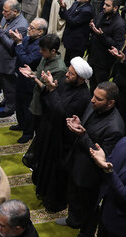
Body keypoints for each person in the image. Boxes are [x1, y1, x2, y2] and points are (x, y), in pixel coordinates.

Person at [61, 82, 125, 237]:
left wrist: (82, 134)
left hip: (92, 172)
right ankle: (73, 220)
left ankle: (85, 235)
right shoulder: (95, 106)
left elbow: (102, 155)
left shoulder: (115, 127)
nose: (92, 100)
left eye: (98, 98)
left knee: (90, 205)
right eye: (94, 95)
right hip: (78, 160)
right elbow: (88, 126)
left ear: (110, 102)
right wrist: (79, 122)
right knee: (73, 192)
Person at [30, 57, 92, 212]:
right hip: (50, 133)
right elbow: (52, 100)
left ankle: (54, 202)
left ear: (81, 78)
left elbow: (62, 114)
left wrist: (51, 90)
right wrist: (48, 87)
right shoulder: (67, 83)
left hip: (62, 141)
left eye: (71, 74)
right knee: (44, 165)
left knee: (56, 173)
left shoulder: (83, 96)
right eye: (69, 72)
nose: (67, 75)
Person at [0, 0, 28, 118]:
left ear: (15, 11)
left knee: (10, 87)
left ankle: (10, 108)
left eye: (6, 11)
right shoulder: (7, 17)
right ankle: (6, 101)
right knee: (4, 84)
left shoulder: (22, 26)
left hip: (9, 61)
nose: (3, 13)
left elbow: (11, 47)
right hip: (0, 58)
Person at [87, 0, 126, 87]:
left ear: (115, 8)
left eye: (108, 5)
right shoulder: (101, 15)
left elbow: (117, 46)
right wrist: (92, 27)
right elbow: (95, 29)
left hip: (103, 63)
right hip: (93, 57)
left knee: (100, 86)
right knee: (91, 84)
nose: (104, 6)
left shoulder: (119, 24)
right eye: (104, 4)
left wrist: (102, 35)